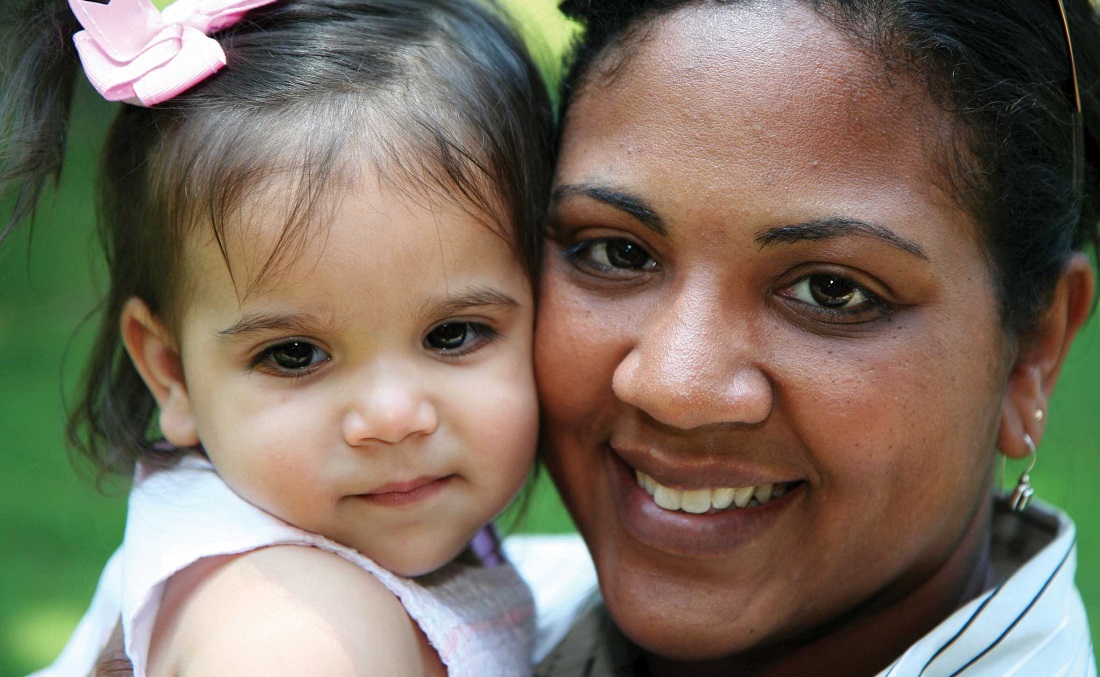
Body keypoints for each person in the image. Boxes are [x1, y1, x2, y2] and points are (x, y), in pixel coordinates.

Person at [531, 0, 1098, 674]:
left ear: (1033, 349)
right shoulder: (442, 622)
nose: (675, 385)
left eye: (832, 291)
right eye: (618, 253)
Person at [0, 0, 553, 674]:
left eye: (453, 333)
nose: (392, 416)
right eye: (294, 354)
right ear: (171, 371)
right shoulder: (292, 631)